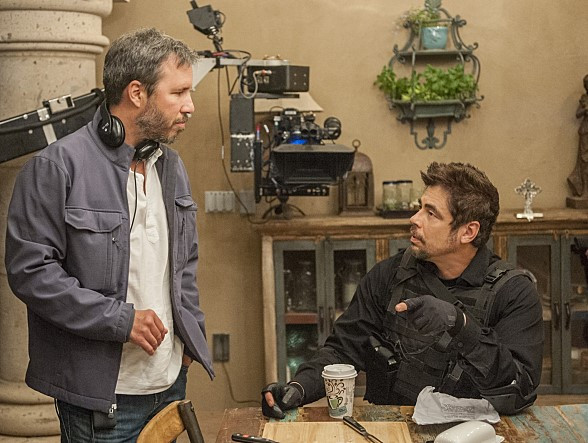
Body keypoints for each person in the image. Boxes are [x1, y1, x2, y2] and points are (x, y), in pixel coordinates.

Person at [5, 28, 214, 441]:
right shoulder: (56, 167)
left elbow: (184, 265)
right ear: (136, 93)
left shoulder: (171, 166)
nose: (190, 105)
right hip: (102, 398)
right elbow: (31, 273)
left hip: (170, 383)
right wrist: (121, 320)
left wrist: (190, 336)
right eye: (178, 93)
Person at [262, 162, 543, 418]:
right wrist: (298, 388)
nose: (414, 218)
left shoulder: (513, 292)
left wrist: (461, 326)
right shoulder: (390, 275)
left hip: (476, 433)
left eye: (431, 213)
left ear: (468, 232)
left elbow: (520, 390)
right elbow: (343, 350)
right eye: (420, 207)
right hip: (392, 428)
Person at [567, 74, 588, 198]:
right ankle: (584, 190)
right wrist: (585, 110)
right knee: (585, 161)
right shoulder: (584, 98)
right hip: (586, 131)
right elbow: (578, 114)